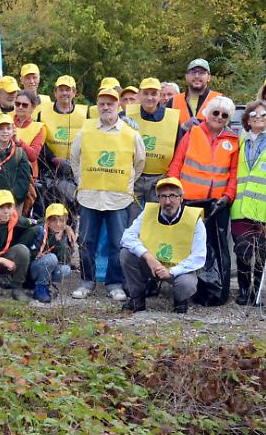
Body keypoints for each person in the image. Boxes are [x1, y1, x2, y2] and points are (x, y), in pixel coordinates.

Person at [68, 87, 146, 301]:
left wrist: (127, 183)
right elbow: (74, 159)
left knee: (117, 243)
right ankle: (86, 281)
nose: (105, 107)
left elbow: (139, 163)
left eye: (110, 103)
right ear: (97, 106)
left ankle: (114, 283)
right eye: (102, 103)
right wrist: (82, 181)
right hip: (89, 197)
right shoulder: (85, 130)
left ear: (118, 106)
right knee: (86, 242)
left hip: (118, 198)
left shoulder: (131, 134)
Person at [167, 95, 239, 305]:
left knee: (216, 249)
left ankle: (213, 291)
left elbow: (233, 174)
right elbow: (177, 163)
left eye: (224, 115)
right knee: (186, 247)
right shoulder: (192, 133)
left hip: (217, 204)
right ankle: (184, 288)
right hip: (189, 201)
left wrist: (227, 197)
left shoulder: (233, 141)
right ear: (207, 113)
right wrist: (173, 193)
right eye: (215, 112)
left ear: (229, 118)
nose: (219, 117)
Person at [119, 177, 207, 313]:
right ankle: (137, 299)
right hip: (152, 265)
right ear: (158, 199)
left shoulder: (194, 218)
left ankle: (180, 301)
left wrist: (171, 272)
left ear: (181, 198)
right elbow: (127, 237)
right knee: (126, 254)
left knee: (186, 284)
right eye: (163, 196)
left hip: (178, 269)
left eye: (172, 196)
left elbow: (199, 257)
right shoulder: (149, 212)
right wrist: (148, 257)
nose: (167, 201)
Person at [230, 99, 266, 305]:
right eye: (253, 115)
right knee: (242, 250)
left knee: (262, 253)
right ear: (247, 120)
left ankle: (257, 289)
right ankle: (243, 289)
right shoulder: (239, 142)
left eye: (263, 115)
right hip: (240, 208)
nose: (258, 118)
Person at [126, 77, 181, 205]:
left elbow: (179, 151)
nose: (149, 98)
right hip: (134, 178)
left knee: (157, 219)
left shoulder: (172, 118)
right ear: (138, 95)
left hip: (160, 178)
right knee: (132, 221)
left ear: (160, 96)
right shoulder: (127, 116)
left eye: (154, 94)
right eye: (145, 93)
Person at [28, 203, 76, 303]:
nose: (58, 224)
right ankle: (39, 289)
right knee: (51, 258)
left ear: (66, 221)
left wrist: (60, 242)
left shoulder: (65, 235)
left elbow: (65, 260)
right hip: (31, 269)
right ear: (47, 220)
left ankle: (46, 284)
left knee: (66, 270)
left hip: (47, 268)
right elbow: (25, 252)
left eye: (61, 220)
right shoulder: (38, 230)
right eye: (54, 220)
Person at [34, 74, 86, 163]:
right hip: (48, 166)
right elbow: (38, 142)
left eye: (68, 90)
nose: (64, 93)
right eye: (61, 90)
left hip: (76, 166)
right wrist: (53, 159)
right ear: (55, 93)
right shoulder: (42, 112)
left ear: (74, 93)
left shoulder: (85, 113)